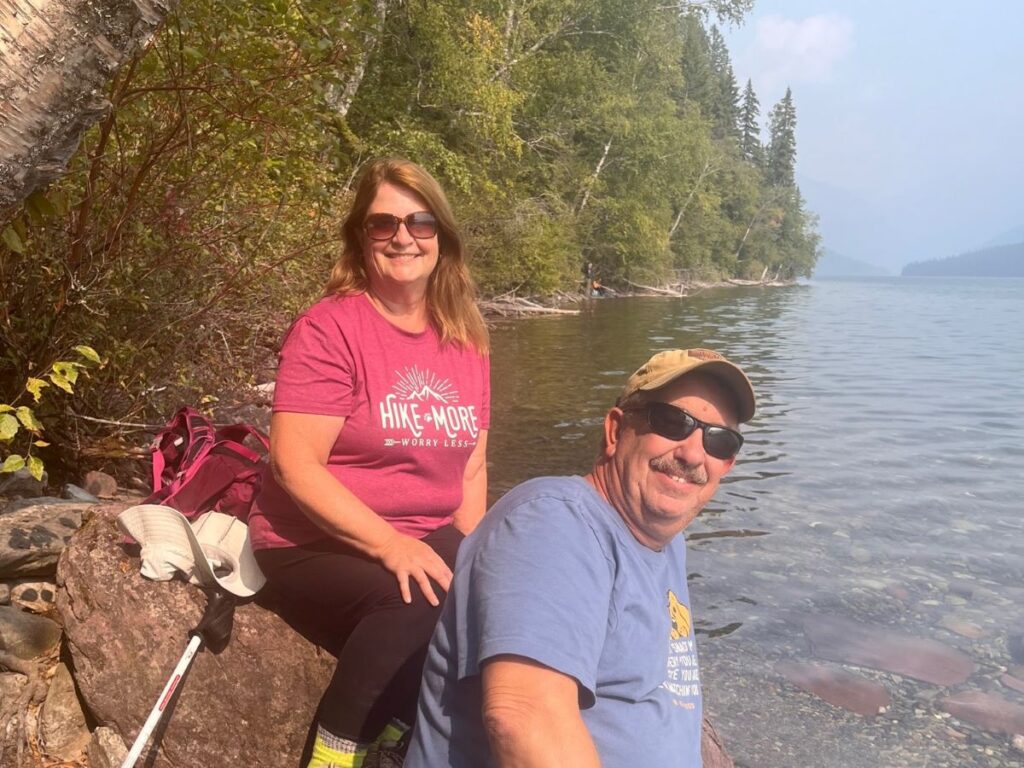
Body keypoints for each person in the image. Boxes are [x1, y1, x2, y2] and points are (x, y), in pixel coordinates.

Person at [247, 158, 490, 768]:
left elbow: (471, 469)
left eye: (420, 221)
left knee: (498, 578)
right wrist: (392, 547)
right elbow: (294, 465)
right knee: (419, 597)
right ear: (361, 237)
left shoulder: (466, 338)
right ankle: (335, 752)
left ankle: (398, 732)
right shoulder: (330, 329)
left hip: (420, 532)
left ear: (443, 236)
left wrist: (476, 554)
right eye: (383, 224)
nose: (403, 237)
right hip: (312, 541)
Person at [406, 347, 756, 767]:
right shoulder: (553, 524)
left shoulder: (663, 542)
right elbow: (524, 717)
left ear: (729, 464)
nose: (694, 454)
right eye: (672, 422)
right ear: (615, 431)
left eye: (719, 440)